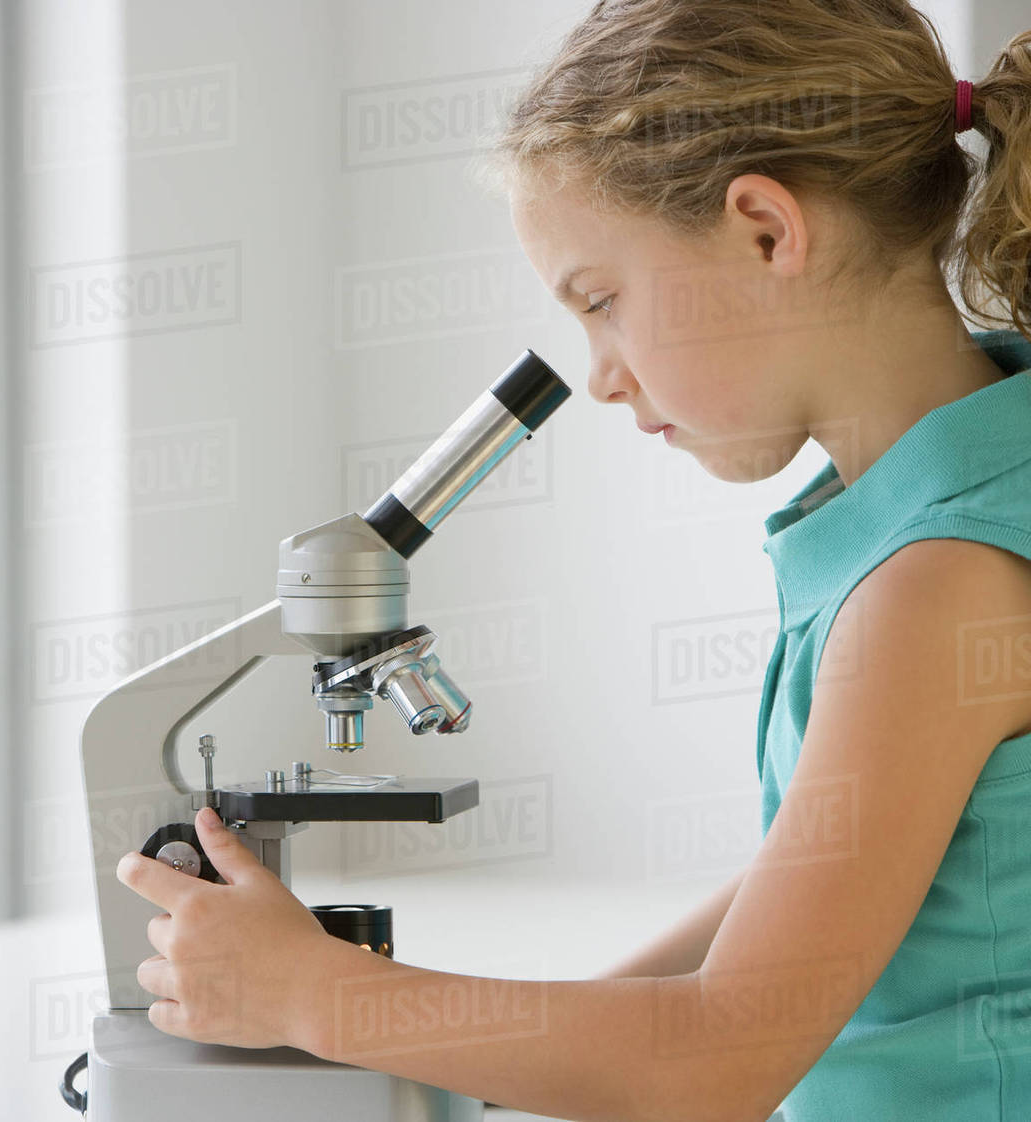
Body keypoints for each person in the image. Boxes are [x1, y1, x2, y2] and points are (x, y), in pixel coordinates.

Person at [115, 3, 1031, 1119]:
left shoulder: (935, 584)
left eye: (602, 301)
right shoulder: (943, 496)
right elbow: (831, 879)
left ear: (765, 230)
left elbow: (717, 1062)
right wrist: (547, 1043)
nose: (598, 375)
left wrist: (320, 996)